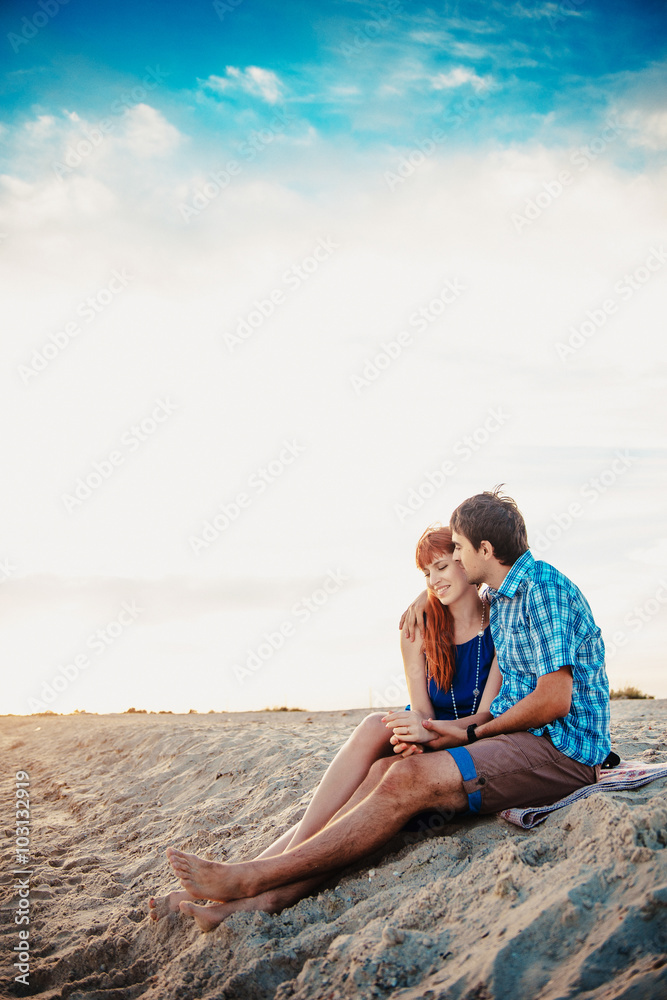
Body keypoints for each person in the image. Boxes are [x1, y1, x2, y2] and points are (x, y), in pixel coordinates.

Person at [162, 488, 610, 918]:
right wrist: (428, 592)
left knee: (402, 777)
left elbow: (552, 700)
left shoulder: (538, 591)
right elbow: (463, 594)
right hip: (514, 741)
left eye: (456, 552)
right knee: (381, 768)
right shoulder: (505, 594)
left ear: (483, 550)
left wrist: (467, 732)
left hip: (560, 751)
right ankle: (259, 895)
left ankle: (253, 880)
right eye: (436, 564)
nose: (450, 562)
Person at [150, 525, 500, 930]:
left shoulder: (500, 624)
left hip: (456, 751)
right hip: (422, 738)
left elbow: (486, 719)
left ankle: (255, 886)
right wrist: (414, 734)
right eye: (425, 575)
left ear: (465, 560)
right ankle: (256, 877)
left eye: (441, 566)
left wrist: (428, 735)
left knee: (372, 782)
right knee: (373, 728)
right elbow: (419, 709)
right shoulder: (417, 629)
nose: (434, 580)